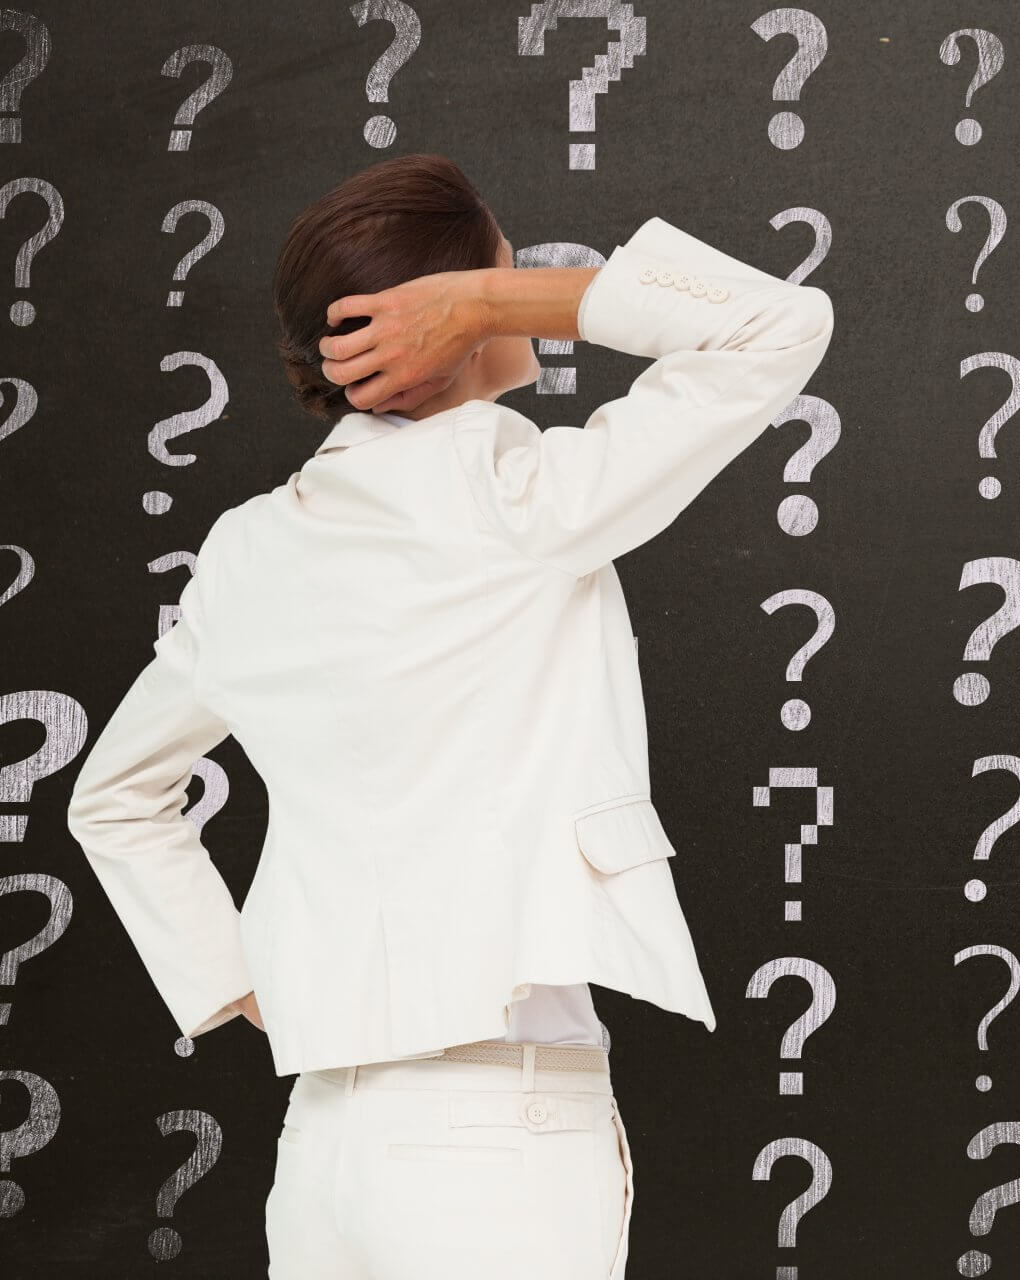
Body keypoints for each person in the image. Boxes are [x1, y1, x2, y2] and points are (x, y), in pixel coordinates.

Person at [64, 153, 834, 1277]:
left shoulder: (248, 547)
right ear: (441, 318)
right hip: (497, 1142)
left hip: (325, 1139)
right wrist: (482, 298)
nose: (515, 293)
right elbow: (779, 323)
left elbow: (112, 797)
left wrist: (236, 978)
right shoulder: (516, 496)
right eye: (503, 273)